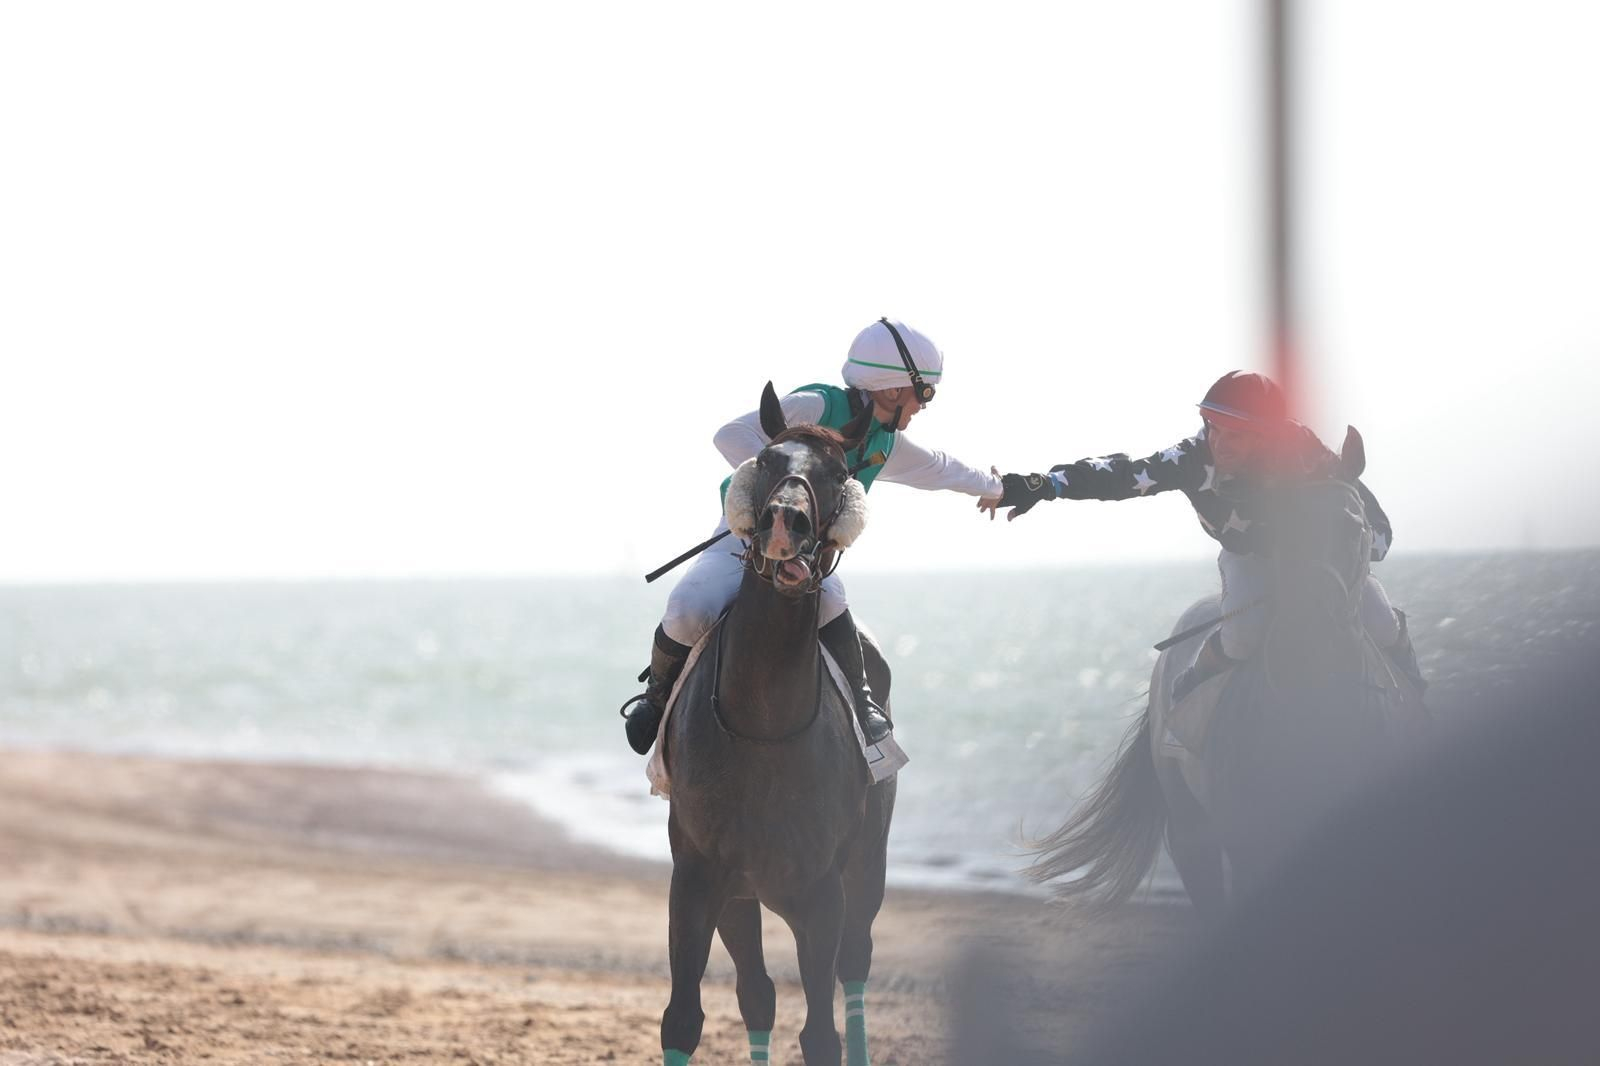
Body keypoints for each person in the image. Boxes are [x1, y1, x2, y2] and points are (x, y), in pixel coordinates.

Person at [619, 318, 1004, 754]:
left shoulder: (886, 443)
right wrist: (784, 483)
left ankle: (864, 705)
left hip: (808, 554)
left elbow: (941, 468)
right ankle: (655, 698)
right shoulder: (817, 405)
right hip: (744, 538)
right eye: (924, 392)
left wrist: (996, 487)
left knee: (834, 602)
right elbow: (729, 435)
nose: (923, 405)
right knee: (688, 606)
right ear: (894, 388)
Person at [983, 370, 1424, 701]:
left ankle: (1413, 682)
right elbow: (1122, 475)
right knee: (1243, 636)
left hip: (1318, 560)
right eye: (1213, 427)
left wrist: (1345, 557)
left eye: (1237, 435)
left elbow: (1376, 531)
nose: (1219, 443)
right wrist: (1045, 485)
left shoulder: (1304, 452)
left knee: (1380, 622)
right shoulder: (1193, 458)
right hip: (1246, 554)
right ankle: (1193, 681)